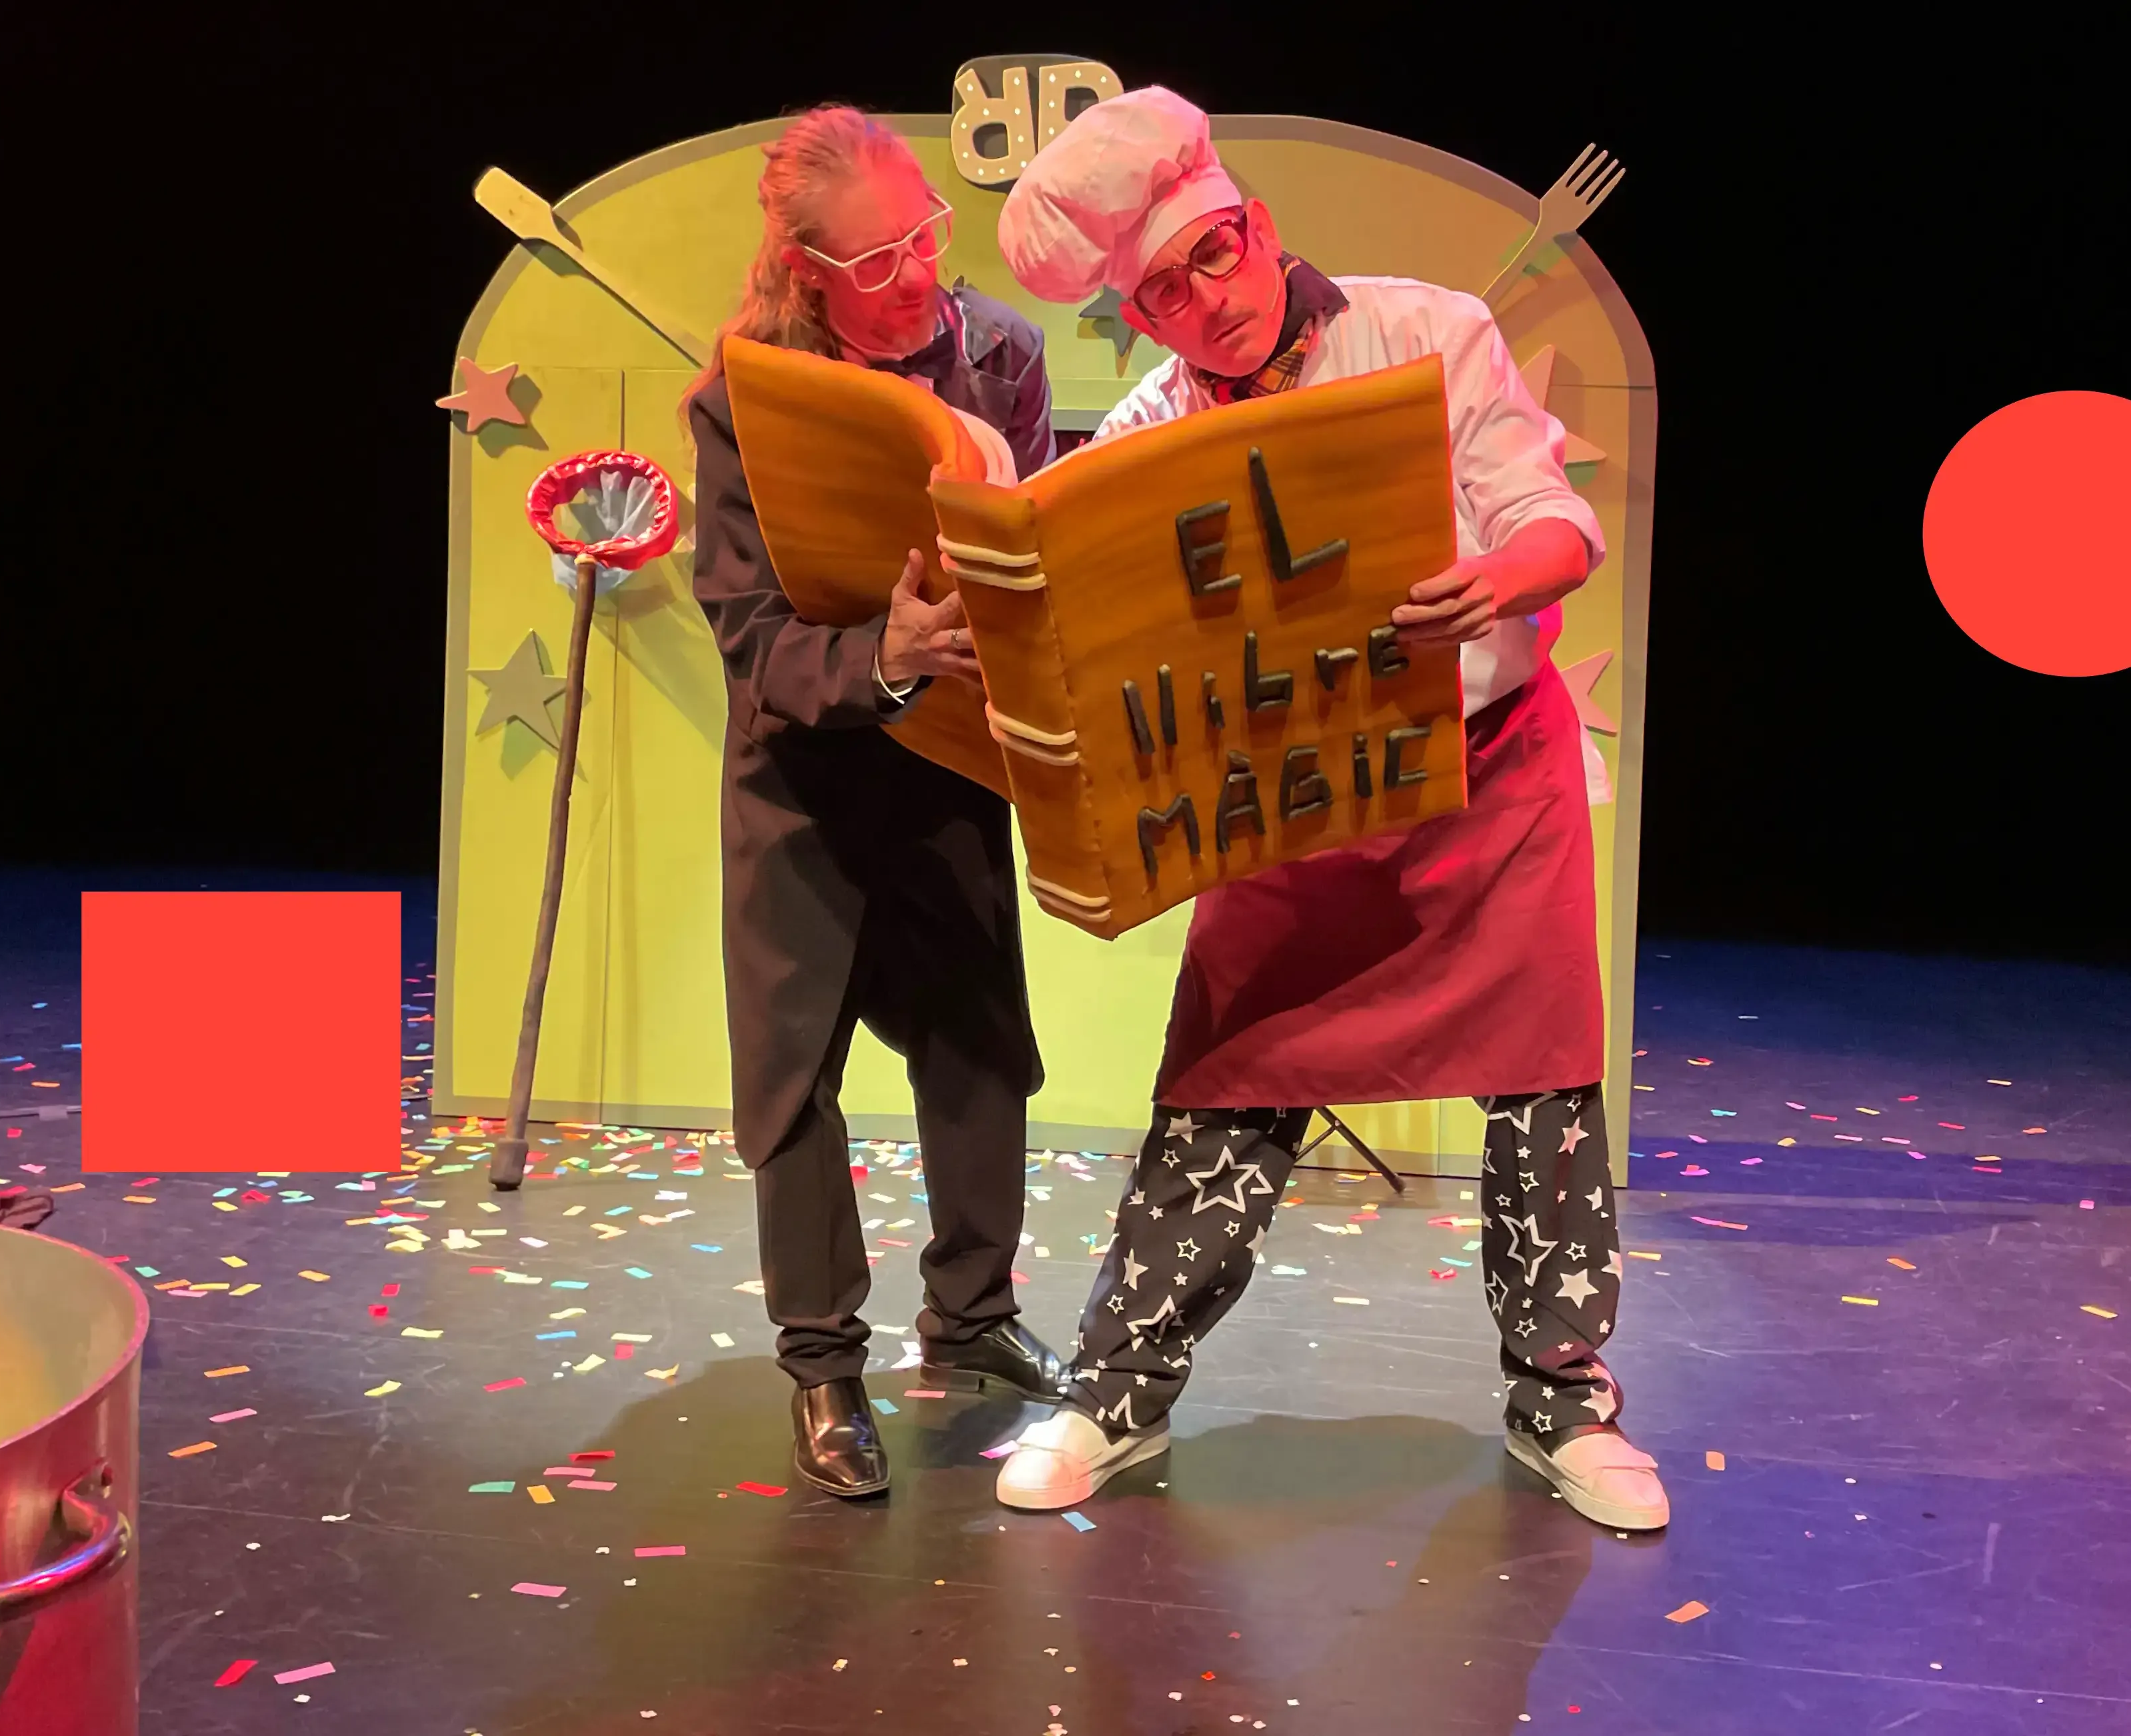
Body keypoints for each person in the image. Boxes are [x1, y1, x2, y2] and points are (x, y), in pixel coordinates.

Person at [987, 87, 1668, 1530]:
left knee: (1545, 1091)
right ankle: (1118, 1395)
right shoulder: (1155, 428)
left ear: (1259, 226)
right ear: (1140, 314)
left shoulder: (1429, 331)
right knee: (1224, 1081)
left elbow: (1554, 522)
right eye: (1166, 294)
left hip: (1486, 780)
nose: (1208, 303)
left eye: (1216, 256)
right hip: (1296, 797)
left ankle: (1564, 1402)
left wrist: (1497, 578)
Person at [685, 106, 1066, 1498]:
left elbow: (1035, 540)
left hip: (951, 762)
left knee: (980, 1049)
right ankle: (822, 1366)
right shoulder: (744, 397)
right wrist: (882, 660)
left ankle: (971, 1312)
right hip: (803, 776)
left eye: (927, 239)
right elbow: (747, 635)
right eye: (877, 260)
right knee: (793, 1083)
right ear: (806, 269)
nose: (916, 277)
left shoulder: (1002, 354)